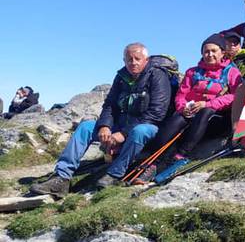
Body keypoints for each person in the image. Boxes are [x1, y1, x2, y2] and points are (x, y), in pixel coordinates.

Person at [30, 43, 171, 196]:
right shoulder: (121, 76)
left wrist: (123, 134)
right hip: (121, 124)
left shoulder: (157, 75)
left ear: (146, 59)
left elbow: (157, 112)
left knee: (139, 131)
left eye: (137, 58)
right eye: (129, 59)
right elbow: (110, 104)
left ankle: (114, 175)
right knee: (86, 127)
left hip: (148, 125)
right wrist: (104, 126)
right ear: (124, 60)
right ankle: (61, 178)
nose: (133, 62)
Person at [143, 34, 241, 179]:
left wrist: (207, 104)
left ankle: (180, 155)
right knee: (178, 117)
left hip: (216, 120)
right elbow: (181, 95)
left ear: (222, 52)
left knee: (205, 111)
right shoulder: (192, 72)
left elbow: (235, 96)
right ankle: (153, 162)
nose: (210, 54)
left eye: (214, 51)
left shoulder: (232, 72)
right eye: (206, 51)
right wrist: (183, 107)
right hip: (191, 115)